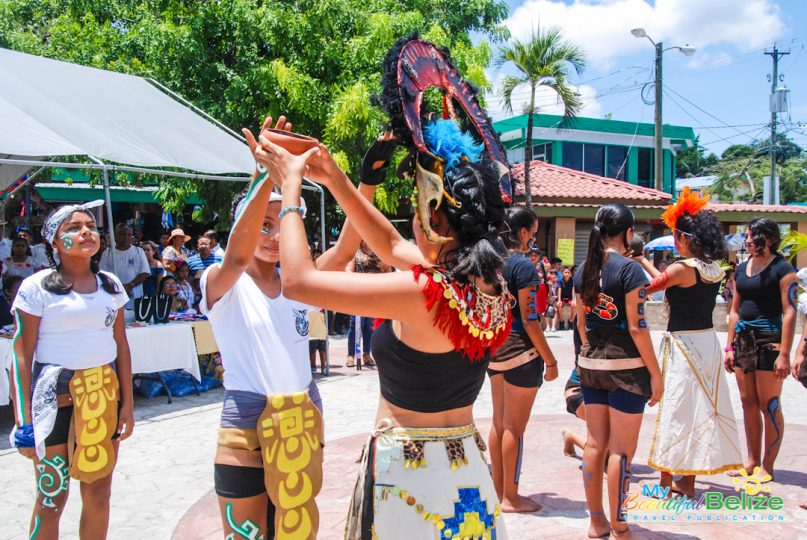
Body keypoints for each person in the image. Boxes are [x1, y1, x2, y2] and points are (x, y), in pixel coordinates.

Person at [254, 115, 512, 538]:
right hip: (466, 470)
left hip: (410, 481)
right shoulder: (491, 289)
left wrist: (291, 188)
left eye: (416, 213)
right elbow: (390, 244)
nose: (412, 224)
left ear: (434, 219)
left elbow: (298, 282)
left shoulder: (423, 292)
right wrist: (336, 177)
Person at [201, 115, 375, 540]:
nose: (274, 235)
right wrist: (266, 174)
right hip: (245, 421)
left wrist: (366, 182)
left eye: (281, 223)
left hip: (301, 418)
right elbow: (237, 256)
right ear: (241, 228)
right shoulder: (222, 283)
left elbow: (345, 250)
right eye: (263, 225)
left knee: (297, 531)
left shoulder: (300, 283)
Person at [9, 200, 134, 539]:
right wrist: (24, 421)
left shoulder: (111, 285)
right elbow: (21, 356)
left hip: (102, 397)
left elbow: (121, 347)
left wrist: (127, 403)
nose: (86, 232)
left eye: (91, 226)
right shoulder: (36, 288)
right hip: (54, 399)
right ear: (54, 241)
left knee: (99, 494)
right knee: (52, 496)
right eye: (74, 228)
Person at [635, 187, 742, 498]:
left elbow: (650, 288)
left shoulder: (681, 269)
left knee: (676, 410)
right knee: (698, 410)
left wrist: (633, 267)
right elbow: (666, 280)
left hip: (683, 347)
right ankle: (685, 482)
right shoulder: (713, 269)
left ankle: (667, 484)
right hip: (706, 343)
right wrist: (642, 260)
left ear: (683, 237)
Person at [573, 203, 663, 538]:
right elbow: (638, 327)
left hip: (591, 365)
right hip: (626, 368)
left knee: (595, 444)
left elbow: (581, 325)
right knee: (622, 452)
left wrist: (592, 354)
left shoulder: (583, 269)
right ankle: (620, 524)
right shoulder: (630, 271)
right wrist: (655, 374)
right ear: (627, 233)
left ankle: (596, 522)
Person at [488, 206, 558, 513]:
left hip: (494, 351)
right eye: (534, 232)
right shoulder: (524, 266)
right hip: (521, 352)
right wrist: (551, 361)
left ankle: (498, 491)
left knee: (498, 424)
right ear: (523, 232)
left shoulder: (491, 263)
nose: (534, 238)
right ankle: (512, 497)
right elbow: (530, 319)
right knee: (514, 429)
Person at [725, 218, 796, 481]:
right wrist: (729, 346)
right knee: (748, 403)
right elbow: (734, 310)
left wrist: (784, 354)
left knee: (770, 404)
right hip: (743, 340)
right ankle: (752, 462)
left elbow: (790, 312)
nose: (747, 241)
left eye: (751, 236)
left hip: (770, 339)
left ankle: (768, 466)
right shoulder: (742, 269)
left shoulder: (783, 269)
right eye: (746, 236)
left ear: (769, 239)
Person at [345, 242, 390, 368]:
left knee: (369, 326)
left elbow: (388, 270)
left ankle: (366, 354)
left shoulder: (379, 254)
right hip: (359, 295)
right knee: (355, 325)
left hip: (374, 297)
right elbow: (348, 271)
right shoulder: (355, 254)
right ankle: (351, 355)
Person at [99, 224, 150, 309]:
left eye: (129, 234)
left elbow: (145, 273)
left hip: (135, 299)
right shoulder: (107, 253)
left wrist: (130, 286)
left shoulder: (138, 251)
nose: (126, 237)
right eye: (122, 235)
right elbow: (102, 275)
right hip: (114, 298)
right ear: (116, 236)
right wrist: (118, 288)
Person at [309, 308, 329, 376]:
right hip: (311, 330)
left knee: (322, 350)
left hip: (321, 330)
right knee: (312, 351)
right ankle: (313, 367)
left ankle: (323, 367)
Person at [555, 266, 575, 331]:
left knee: (574, 306)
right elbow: (559, 290)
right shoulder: (560, 280)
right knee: (559, 306)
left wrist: (573, 300)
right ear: (562, 273)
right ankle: (561, 321)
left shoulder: (572, 280)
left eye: (568, 272)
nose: (567, 274)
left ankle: (571, 321)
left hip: (570, 298)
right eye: (565, 272)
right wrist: (559, 300)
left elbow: (573, 290)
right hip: (562, 298)